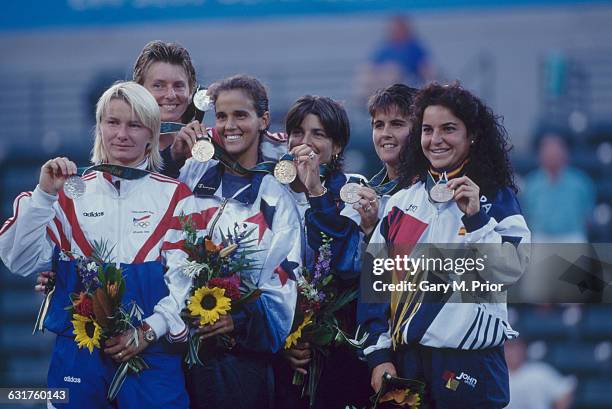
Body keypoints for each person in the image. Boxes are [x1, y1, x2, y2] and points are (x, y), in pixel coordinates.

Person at [0, 81, 211, 408]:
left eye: (134, 124)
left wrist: (150, 330)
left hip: (152, 354)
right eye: (113, 122)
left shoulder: (176, 196)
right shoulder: (68, 192)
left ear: (152, 134)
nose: (122, 134)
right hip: (78, 354)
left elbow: (188, 279)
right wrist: (43, 195)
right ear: (99, 127)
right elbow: (20, 260)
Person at [358, 83, 531, 408]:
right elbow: (374, 289)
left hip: (470, 365)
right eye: (427, 130)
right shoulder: (400, 204)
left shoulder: (497, 198)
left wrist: (476, 220)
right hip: (408, 366)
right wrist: (379, 355)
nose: (436, 140)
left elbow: (512, 273)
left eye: (448, 129)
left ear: (472, 136)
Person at [163, 74, 302, 409]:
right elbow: (166, 248)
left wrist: (238, 320)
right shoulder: (194, 183)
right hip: (184, 351)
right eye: (221, 116)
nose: (229, 125)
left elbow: (285, 276)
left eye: (241, 115)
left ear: (263, 120)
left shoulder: (276, 195)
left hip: (244, 359)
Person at [276, 95, 371, 409]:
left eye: (318, 134)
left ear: (338, 145)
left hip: (338, 339)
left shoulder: (355, 190)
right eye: (298, 133)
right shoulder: (272, 190)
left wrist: (316, 190)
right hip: (283, 339)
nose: (306, 142)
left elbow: (342, 261)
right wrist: (285, 336)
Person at [358, 83, 418, 238]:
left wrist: (373, 231)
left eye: (396, 124)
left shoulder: (431, 194)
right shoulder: (365, 193)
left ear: (420, 130)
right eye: (379, 125)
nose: (385, 133)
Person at [522, 133, 595, 243]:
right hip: (541, 238)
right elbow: (526, 213)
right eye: (548, 154)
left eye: (556, 154)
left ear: (565, 155)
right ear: (540, 156)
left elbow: (588, 213)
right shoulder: (532, 183)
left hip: (572, 237)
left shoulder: (580, 182)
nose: (552, 157)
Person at [132, 40, 198, 150]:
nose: (170, 95)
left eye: (178, 86)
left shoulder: (208, 147)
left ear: (191, 91)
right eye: (158, 86)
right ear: (139, 90)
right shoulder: (123, 146)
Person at [505, 338, 575, 409]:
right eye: (509, 348)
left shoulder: (539, 370)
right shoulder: (496, 377)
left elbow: (564, 393)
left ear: (524, 348)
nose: (514, 352)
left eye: (517, 347)